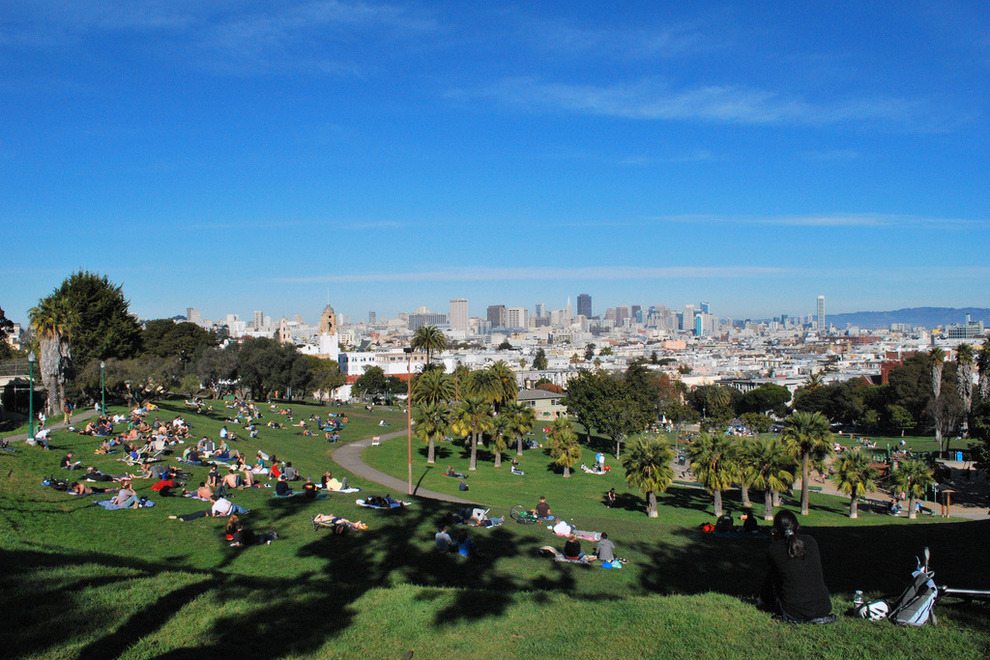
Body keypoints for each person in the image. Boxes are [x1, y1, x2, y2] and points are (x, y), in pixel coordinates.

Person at [758, 510, 834, 624]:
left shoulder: (774, 549)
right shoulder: (811, 541)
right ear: (797, 526)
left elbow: (773, 579)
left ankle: (764, 601)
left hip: (794, 612)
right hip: (823, 608)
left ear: (775, 530)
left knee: (773, 575)